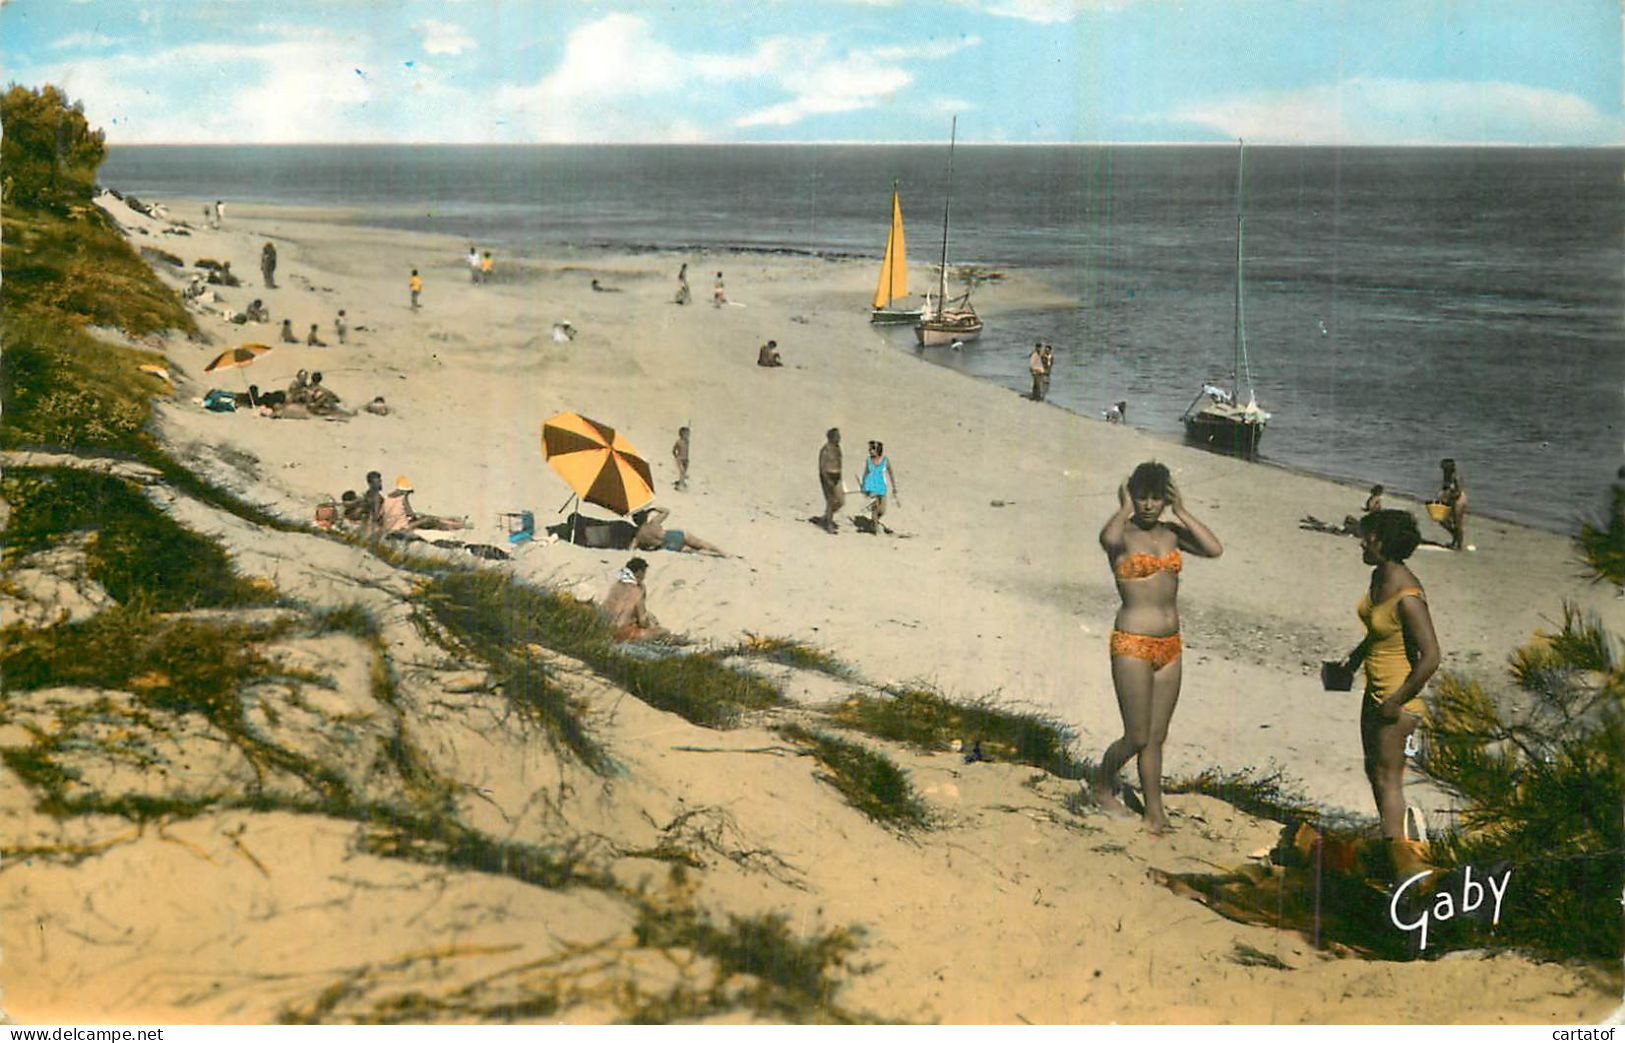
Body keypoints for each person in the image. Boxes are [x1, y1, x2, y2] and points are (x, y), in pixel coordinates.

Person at [1092, 462, 1223, 834]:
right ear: (1131, 496)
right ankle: (1101, 783)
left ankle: (1155, 812)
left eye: (1155, 498)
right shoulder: (1122, 535)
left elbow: (1214, 549)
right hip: (1133, 642)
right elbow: (1107, 539)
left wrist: (1181, 510)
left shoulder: (1172, 534)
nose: (1148, 505)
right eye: (1141, 497)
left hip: (1170, 645)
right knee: (1136, 735)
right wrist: (1122, 508)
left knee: (1157, 736)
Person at [1327, 509, 1441, 872]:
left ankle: (1402, 864)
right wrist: (1353, 661)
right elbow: (1379, 631)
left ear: (1385, 543)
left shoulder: (1408, 594)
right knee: (1373, 771)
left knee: (1389, 780)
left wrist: (1397, 700)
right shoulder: (1380, 576)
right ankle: (1397, 847)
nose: (1362, 542)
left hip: (1399, 700)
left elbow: (1432, 657)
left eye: (1369, 537)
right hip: (1375, 691)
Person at [600, 557, 671, 642]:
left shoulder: (615, 586)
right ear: (640, 572)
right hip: (626, 632)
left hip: (607, 629)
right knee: (664, 632)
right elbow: (642, 621)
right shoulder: (637, 590)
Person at [380, 475, 465, 533]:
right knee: (429, 519)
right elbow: (411, 514)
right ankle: (456, 524)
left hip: (389, 526)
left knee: (425, 518)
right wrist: (417, 517)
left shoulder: (387, 498)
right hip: (402, 527)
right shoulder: (402, 497)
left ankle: (451, 521)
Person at [632, 506, 728, 556]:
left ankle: (711, 555)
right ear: (645, 516)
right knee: (700, 543)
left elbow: (635, 548)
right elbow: (666, 511)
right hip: (673, 536)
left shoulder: (639, 536)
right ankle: (722, 553)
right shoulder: (653, 523)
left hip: (668, 545)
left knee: (694, 551)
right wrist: (653, 509)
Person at [859, 440, 899, 535]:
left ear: (877, 450)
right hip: (872, 487)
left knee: (882, 509)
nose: (870, 451)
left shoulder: (885, 461)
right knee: (876, 507)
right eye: (870, 449)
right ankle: (875, 528)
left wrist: (894, 487)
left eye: (872, 449)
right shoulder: (869, 461)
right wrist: (864, 486)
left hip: (881, 487)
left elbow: (891, 473)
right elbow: (866, 473)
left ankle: (874, 521)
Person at [1438, 458, 1468, 550]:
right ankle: (1455, 538)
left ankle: (1458, 544)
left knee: (1457, 523)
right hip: (1450, 499)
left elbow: (1458, 492)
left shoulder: (1456, 477)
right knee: (1442, 520)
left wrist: (1448, 496)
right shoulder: (1446, 476)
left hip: (1459, 500)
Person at [818, 427, 844, 534]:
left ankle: (825, 518)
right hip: (827, 476)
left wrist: (840, 478)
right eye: (837, 436)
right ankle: (829, 524)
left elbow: (839, 463)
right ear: (831, 437)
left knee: (840, 501)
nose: (839, 438)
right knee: (831, 501)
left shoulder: (838, 448)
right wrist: (827, 479)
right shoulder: (825, 449)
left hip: (837, 476)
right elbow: (822, 467)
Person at [672, 426, 691, 491]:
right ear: (681, 434)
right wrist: (676, 456)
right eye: (686, 434)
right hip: (680, 459)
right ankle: (680, 485)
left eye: (688, 434)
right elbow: (674, 450)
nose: (687, 435)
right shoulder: (678, 442)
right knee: (682, 471)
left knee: (684, 472)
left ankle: (681, 482)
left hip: (686, 459)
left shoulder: (687, 441)